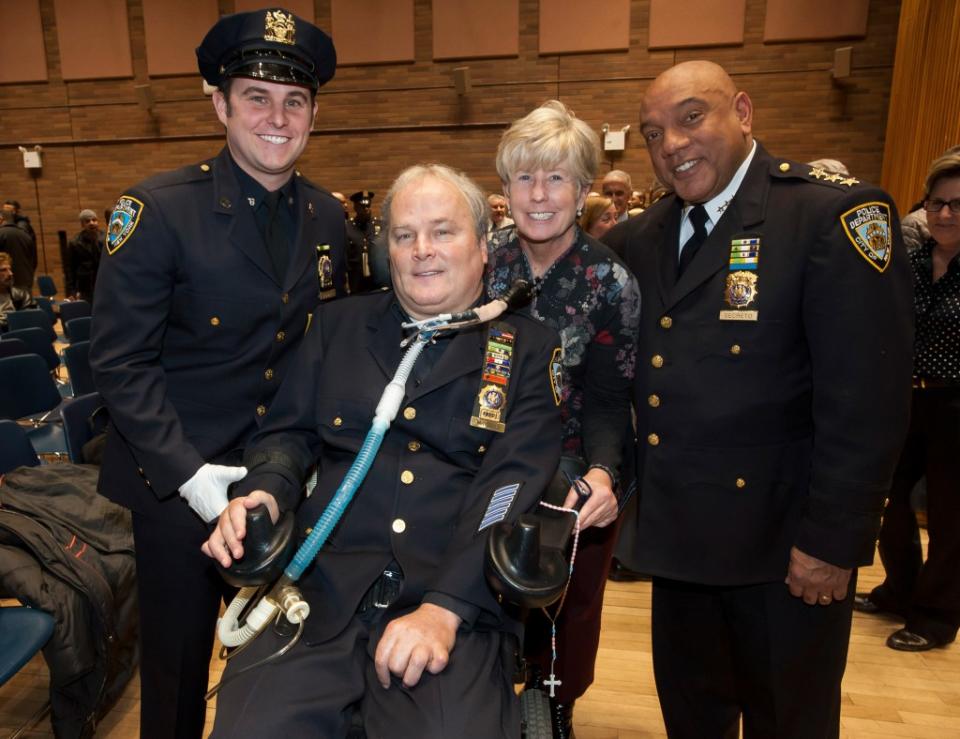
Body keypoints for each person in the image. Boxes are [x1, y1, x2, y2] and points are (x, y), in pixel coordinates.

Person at [203, 163, 562, 738]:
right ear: (385, 250)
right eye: (404, 235)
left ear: (482, 246)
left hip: (451, 599)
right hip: (319, 593)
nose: (422, 250)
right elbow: (287, 435)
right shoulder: (336, 327)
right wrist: (264, 493)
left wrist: (445, 609)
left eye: (442, 231)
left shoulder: (524, 348)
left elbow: (508, 488)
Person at [618, 60, 913, 737]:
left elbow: (867, 400)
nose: (672, 145)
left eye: (692, 117)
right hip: (681, 548)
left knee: (790, 722)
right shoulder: (643, 237)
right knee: (693, 719)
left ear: (742, 113)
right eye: (653, 133)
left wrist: (836, 540)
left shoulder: (826, 216)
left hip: (785, 557)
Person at [89, 9, 345, 738]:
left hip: (278, 478)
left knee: (272, 663)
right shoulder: (159, 210)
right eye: (257, 96)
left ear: (314, 115)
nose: (277, 116)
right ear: (220, 103)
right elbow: (119, 361)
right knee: (174, 675)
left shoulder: (328, 217)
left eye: (294, 100)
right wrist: (191, 474)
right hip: (176, 483)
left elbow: (319, 349)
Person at [486, 100, 640, 738]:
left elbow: (609, 400)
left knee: (569, 610)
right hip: (487, 462)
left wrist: (602, 473)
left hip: (575, 469)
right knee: (483, 596)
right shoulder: (482, 264)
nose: (540, 194)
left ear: (583, 191)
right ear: (505, 189)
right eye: (524, 177)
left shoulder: (610, 282)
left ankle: (555, 705)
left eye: (557, 178)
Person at [854, 150, 960, 652]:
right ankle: (899, 588)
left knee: (948, 516)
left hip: (956, 406)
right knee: (887, 500)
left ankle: (936, 616)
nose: (944, 215)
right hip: (904, 400)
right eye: (936, 203)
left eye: (957, 205)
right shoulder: (909, 263)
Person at [351, 189, 390, 288]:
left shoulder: (379, 225)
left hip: (376, 282)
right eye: (363, 207)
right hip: (356, 283)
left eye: (368, 206)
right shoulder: (348, 228)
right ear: (355, 207)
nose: (367, 209)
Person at [64, 209, 104, 301]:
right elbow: (70, 269)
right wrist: (71, 291)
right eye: (87, 221)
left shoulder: (106, 238)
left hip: (104, 283)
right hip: (86, 286)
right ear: (82, 224)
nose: (91, 223)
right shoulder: (75, 243)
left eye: (94, 220)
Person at [0, 207, 34, 291]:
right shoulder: (26, 235)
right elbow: (34, 261)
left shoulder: (0, 234)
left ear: (1, 219)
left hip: (6, 284)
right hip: (26, 282)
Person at [0, 252, 36, 329]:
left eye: (10, 269)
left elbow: (29, 320)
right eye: (3, 270)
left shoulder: (23, 294)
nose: (10, 273)